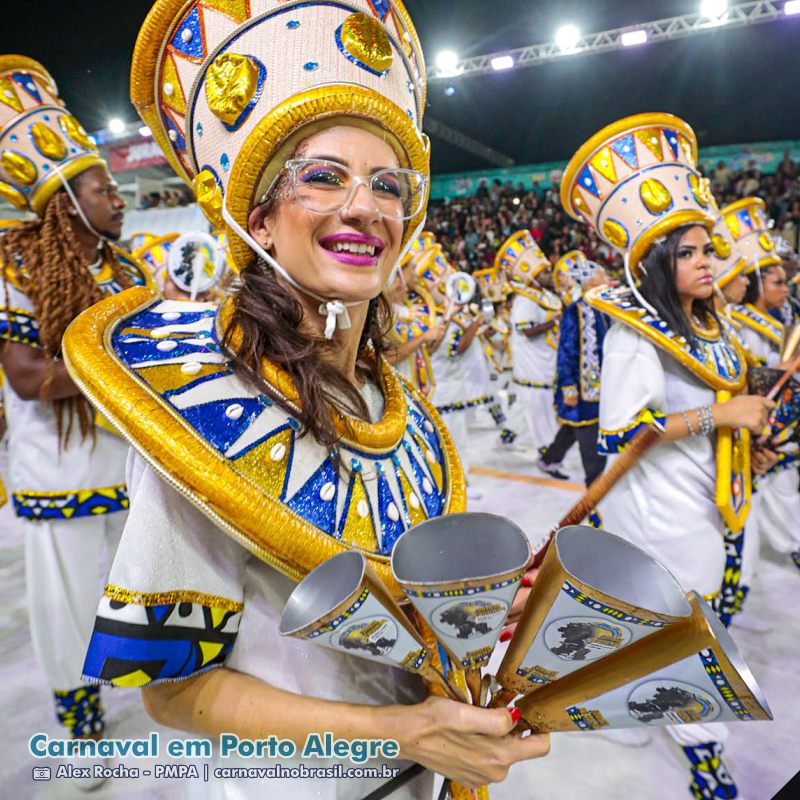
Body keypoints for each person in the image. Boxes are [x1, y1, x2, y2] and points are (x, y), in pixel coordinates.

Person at [63, 3, 549, 798]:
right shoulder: (198, 410)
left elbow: (401, 619)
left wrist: (488, 610)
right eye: (323, 177)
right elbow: (171, 690)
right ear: (258, 220)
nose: (365, 207)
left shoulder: (406, 413)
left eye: (388, 185)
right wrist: (398, 732)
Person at [562, 113, 774, 800]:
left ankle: (648, 709)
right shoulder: (635, 337)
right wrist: (723, 414)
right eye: (687, 253)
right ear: (657, 264)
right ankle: (705, 761)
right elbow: (623, 432)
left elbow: (716, 415)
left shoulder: (709, 328)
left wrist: (745, 444)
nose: (707, 261)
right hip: (657, 514)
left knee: (672, 628)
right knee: (685, 633)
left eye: (707, 248)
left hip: (696, 506)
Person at [0, 56, 151, 767]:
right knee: (63, 602)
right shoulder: (16, 268)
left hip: (129, 456)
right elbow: (29, 378)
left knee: (146, 577)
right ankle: (78, 714)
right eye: (105, 189)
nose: (119, 199)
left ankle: (158, 679)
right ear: (67, 199)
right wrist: (109, 366)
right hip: (56, 467)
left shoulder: (126, 271)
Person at [538, 252, 609, 488]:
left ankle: (550, 458)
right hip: (580, 388)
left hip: (597, 386)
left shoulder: (603, 309)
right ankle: (595, 486)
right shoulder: (574, 311)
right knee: (589, 436)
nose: (607, 278)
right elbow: (566, 352)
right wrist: (568, 387)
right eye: (602, 275)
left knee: (572, 427)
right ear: (590, 281)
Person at [501, 231, 562, 451]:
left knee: (531, 403)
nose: (549, 274)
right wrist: (553, 322)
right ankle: (545, 446)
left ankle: (511, 431)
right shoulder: (525, 301)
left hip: (544, 360)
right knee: (538, 405)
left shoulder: (547, 296)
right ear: (533, 276)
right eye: (545, 271)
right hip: (532, 364)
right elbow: (526, 331)